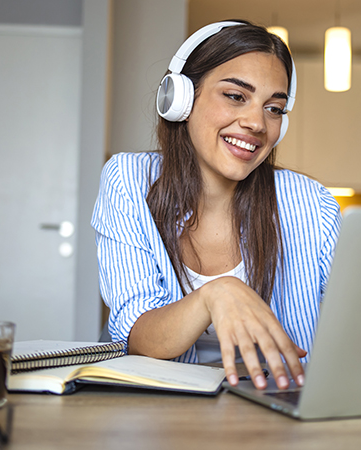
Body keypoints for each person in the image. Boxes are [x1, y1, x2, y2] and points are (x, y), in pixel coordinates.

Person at [92, 21, 341, 391]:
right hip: (163, 411)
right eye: (236, 96)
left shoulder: (312, 204)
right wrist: (216, 294)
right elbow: (138, 334)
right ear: (181, 100)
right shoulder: (129, 180)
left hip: (279, 409)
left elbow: (358, 326)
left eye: (274, 108)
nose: (257, 122)